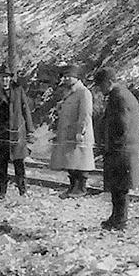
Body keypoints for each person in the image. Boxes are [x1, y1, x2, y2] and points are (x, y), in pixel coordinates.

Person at [92, 67, 139, 230]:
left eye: (101, 85)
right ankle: (116, 217)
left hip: (121, 148)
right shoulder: (121, 94)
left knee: (120, 187)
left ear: (109, 82)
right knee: (118, 187)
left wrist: (110, 144)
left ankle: (120, 220)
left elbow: (121, 125)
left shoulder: (119, 97)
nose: (100, 90)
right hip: (123, 147)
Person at [0, 70, 34, 198]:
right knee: (2, 164)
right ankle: (2, 193)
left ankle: (23, 191)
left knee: (19, 163)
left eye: (7, 77)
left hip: (17, 132)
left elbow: (25, 109)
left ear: (10, 78)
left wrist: (30, 129)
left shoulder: (18, 91)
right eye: (2, 77)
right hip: (1, 133)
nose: (5, 80)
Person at [50, 63, 95, 197]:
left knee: (80, 162)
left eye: (68, 76)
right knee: (70, 161)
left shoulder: (84, 92)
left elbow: (85, 114)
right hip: (68, 133)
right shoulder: (69, 93)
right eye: (64, 76)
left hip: (78, 133)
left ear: (76, 77)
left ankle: (80, 189)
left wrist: (81, 131)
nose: (65, 79)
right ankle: (72, 187)